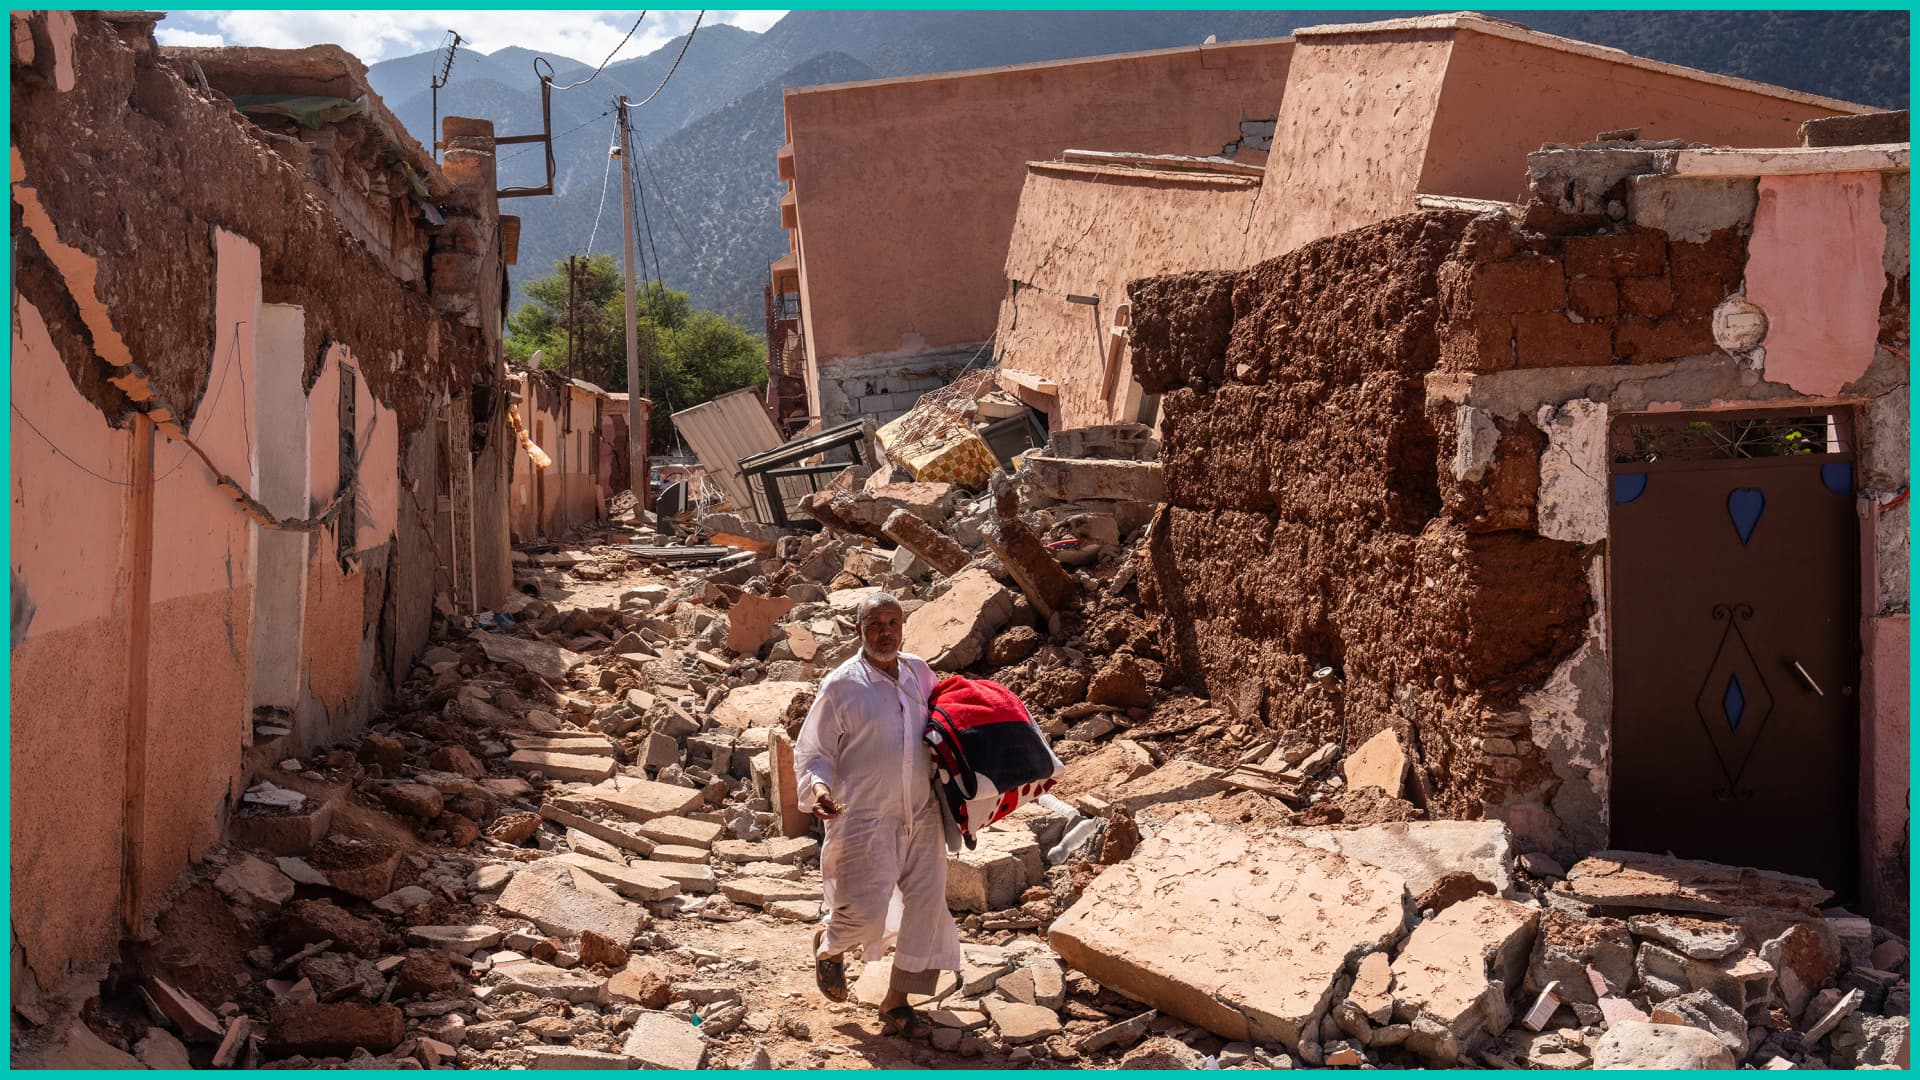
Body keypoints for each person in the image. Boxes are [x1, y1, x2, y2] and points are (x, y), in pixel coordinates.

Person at [793, 591, 960, 1037]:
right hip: (864, 815)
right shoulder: (842, 685)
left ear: (903, 627)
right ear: (858, 630)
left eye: (893, 622)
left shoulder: (919, 673)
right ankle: (830, 949)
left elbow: (944, 722)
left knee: (925, 907)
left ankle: (897, 1002)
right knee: (864, 912)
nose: (885, 632)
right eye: (875, 624)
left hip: (921, 812)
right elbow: (813, 751)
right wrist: (820, 788)